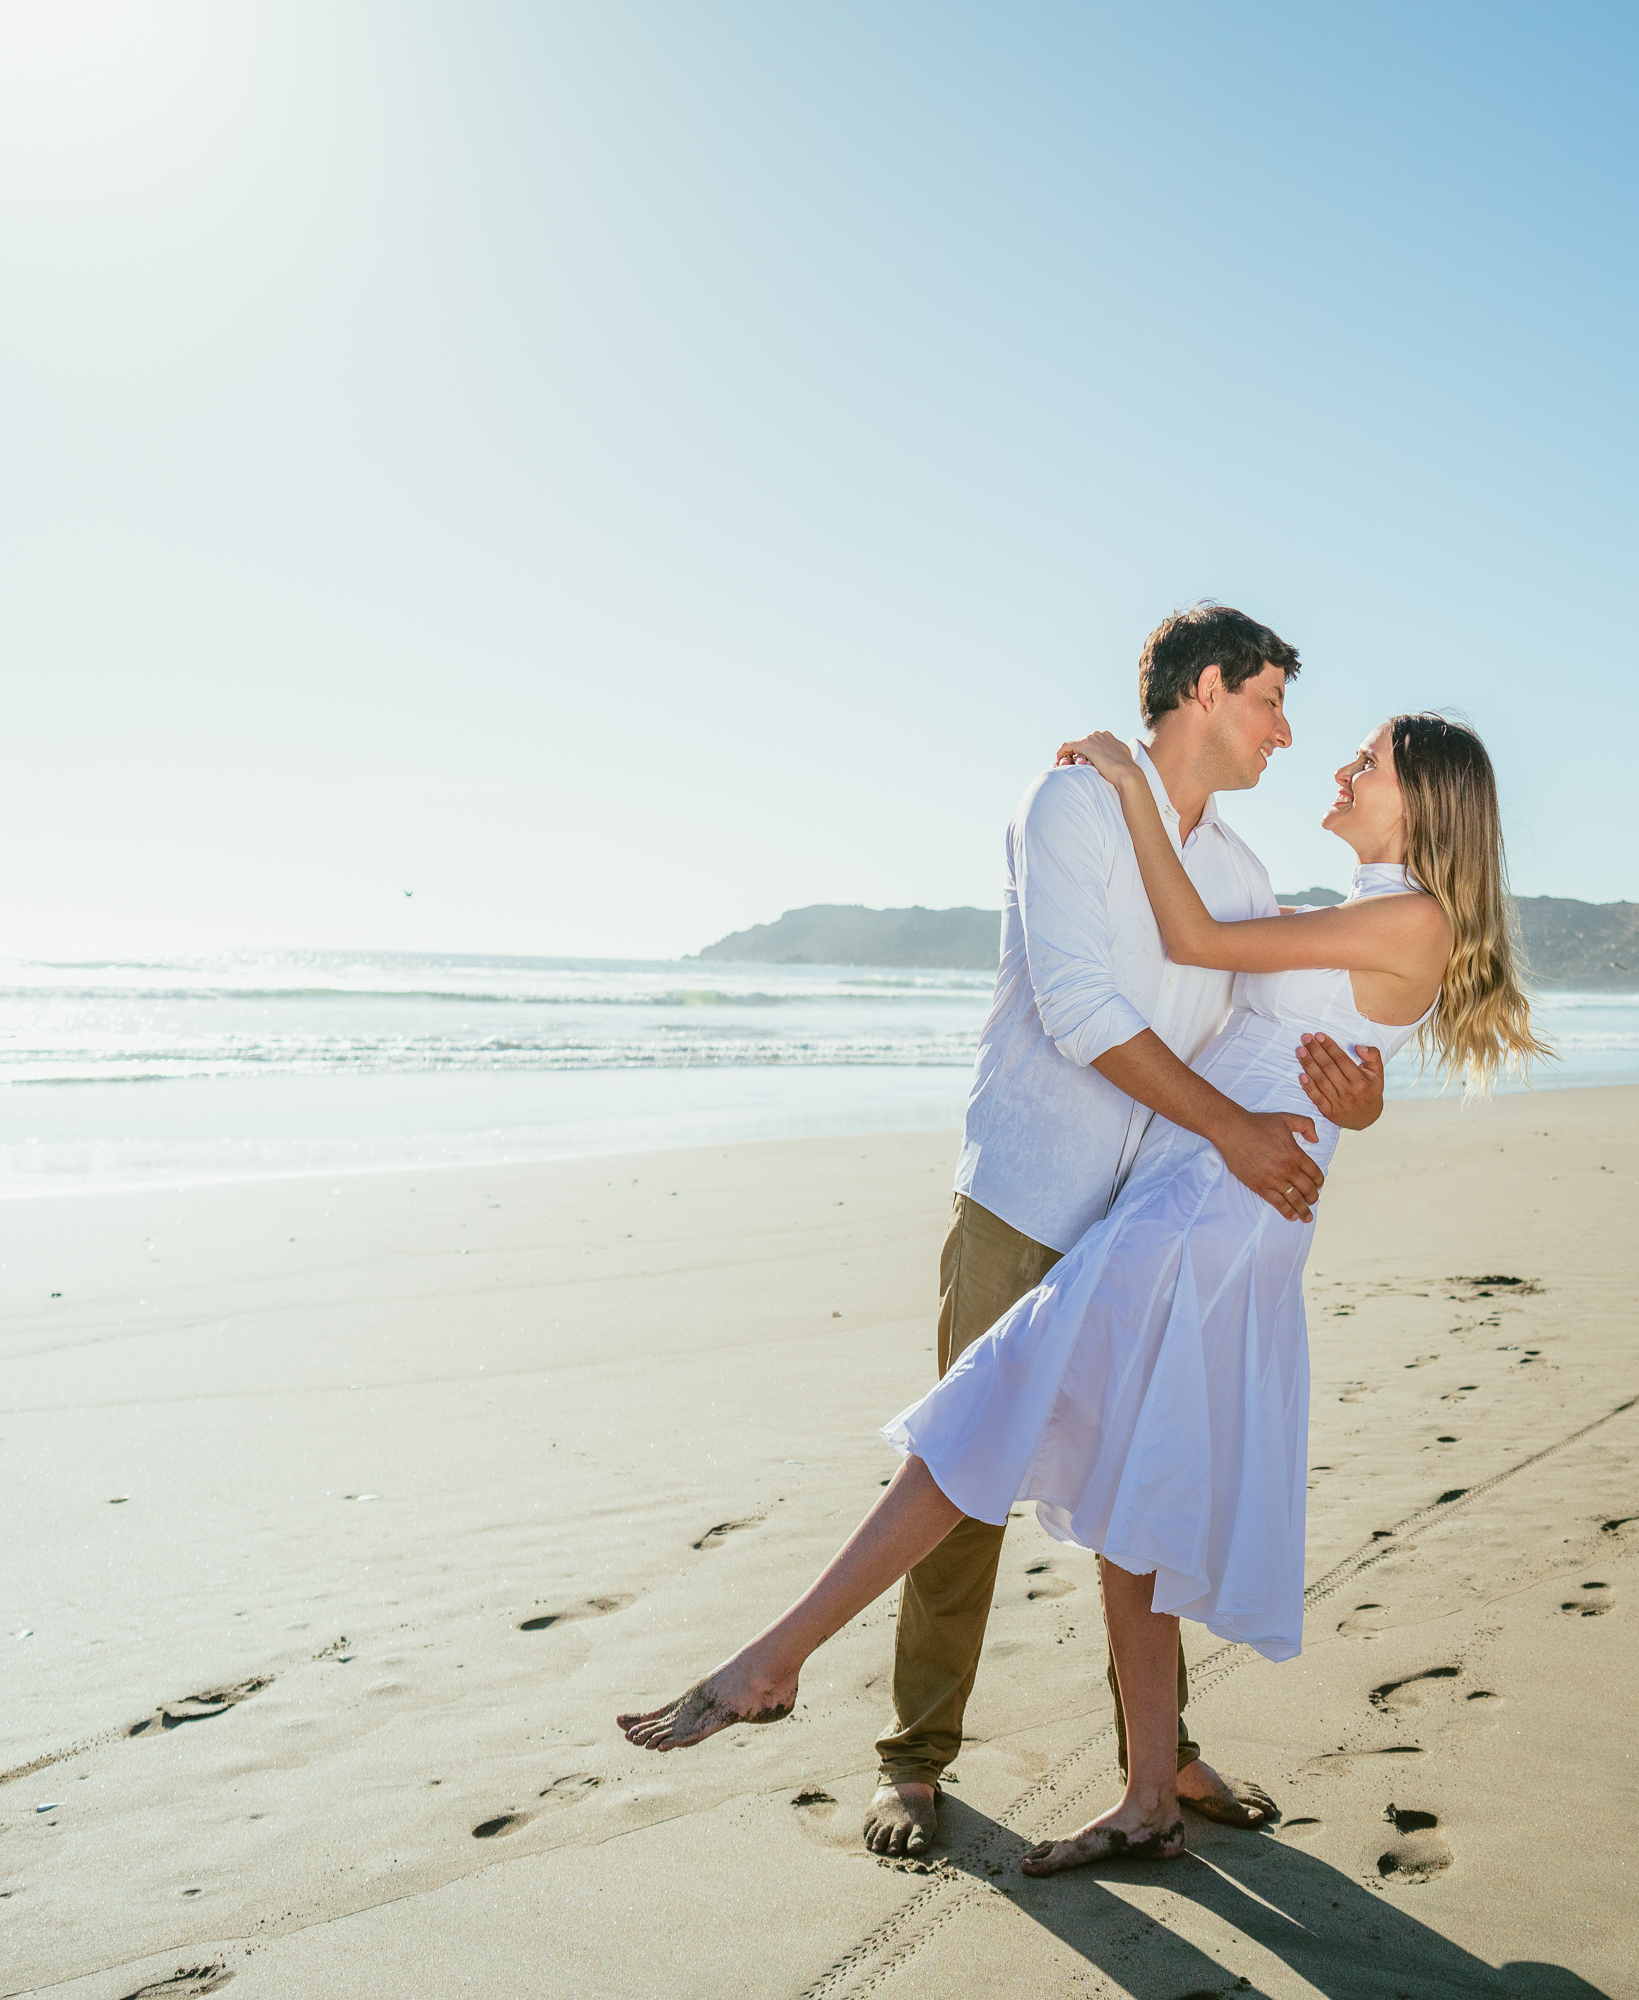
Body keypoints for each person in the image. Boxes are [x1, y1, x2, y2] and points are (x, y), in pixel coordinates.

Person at [617, 697, 1547, 1876]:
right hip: (1201, 1192)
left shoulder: (1404, 913)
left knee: (993, 1404)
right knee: (1126, 1487)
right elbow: (1304, 1034)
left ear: (1425, 801)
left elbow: (1203, 943)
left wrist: (1123, 783)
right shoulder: (1361, 912)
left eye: (1372, 759)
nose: (1343, 760)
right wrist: (1356, 1099)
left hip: (1205, 1205)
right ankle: (1150, 1790)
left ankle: (774, 1655)